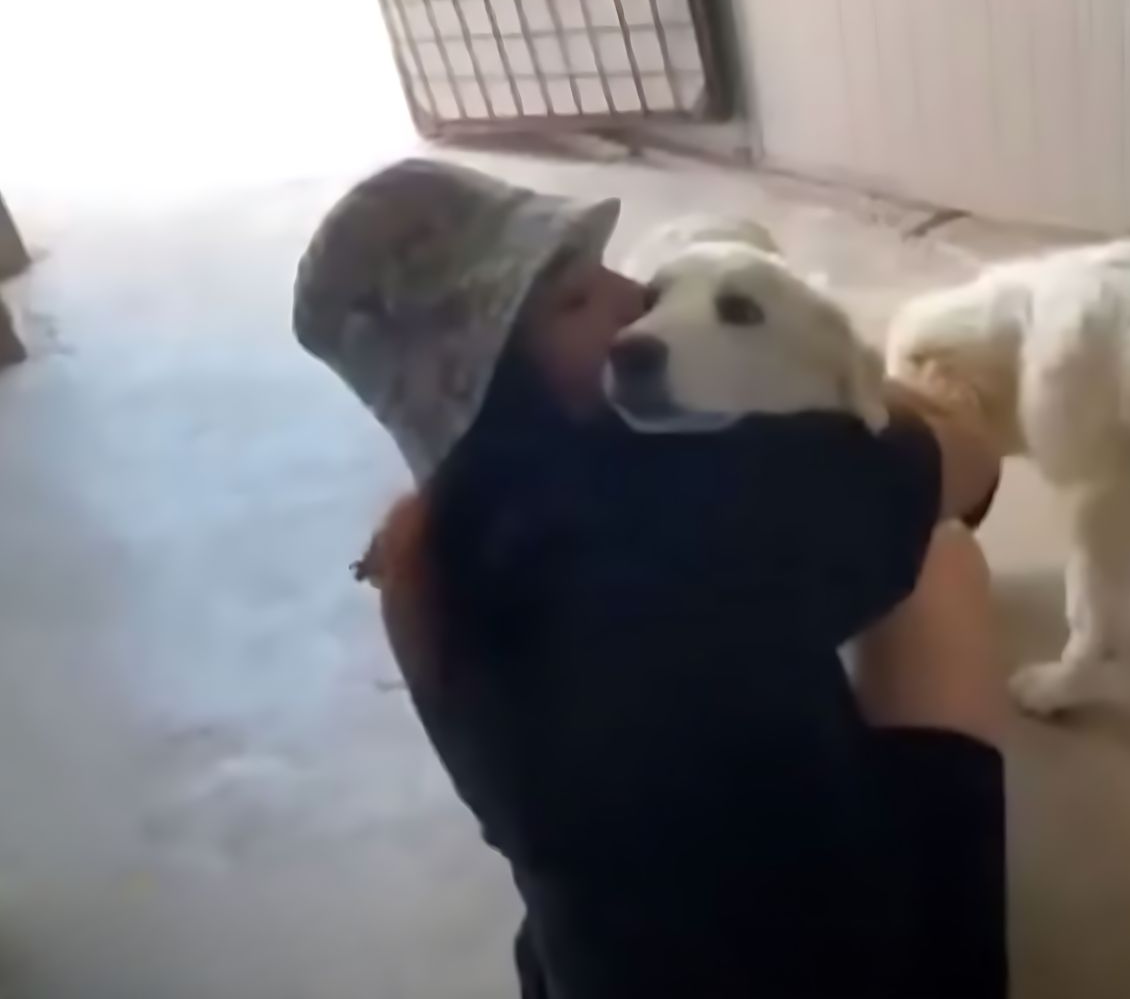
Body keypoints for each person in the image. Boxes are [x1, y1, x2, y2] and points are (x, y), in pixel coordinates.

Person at [293, 158, 1007, 998]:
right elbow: (971, 457)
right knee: (943, 552)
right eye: (574, 299)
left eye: (604, 268)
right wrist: (845, 367)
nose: (632, 300)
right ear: (498, 385)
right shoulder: (725, 499)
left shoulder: (415, 565)